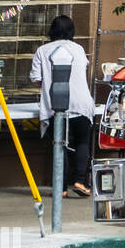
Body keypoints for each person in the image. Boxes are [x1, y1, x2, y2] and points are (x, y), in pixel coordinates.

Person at [30, 15, 96, 198]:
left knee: (59, 146)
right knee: (82, 141)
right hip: (81, 103)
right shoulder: (79, 49)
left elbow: (36, 79)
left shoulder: (42, 51)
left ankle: (61, 188)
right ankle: (80, 181)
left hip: (54, 106)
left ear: (52, 30)